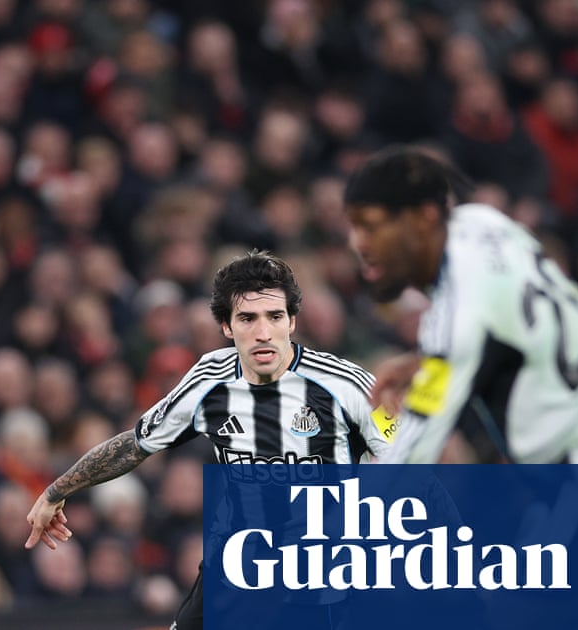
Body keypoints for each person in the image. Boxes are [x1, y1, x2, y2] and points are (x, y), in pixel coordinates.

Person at [25, 251, 394, 630]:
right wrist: (56, 491)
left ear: (292, 321)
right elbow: (135, 444)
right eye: (248, 318)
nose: (263, 332)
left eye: (275, 316)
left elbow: (411, 460)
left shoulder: (348, 385)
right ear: (226, 327)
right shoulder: (209, 380)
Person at [344, 145, 578, 463]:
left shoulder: (460, 317)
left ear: (425, 218)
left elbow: (410, 456)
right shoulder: (482, 221)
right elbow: (504, 331)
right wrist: (423, 364)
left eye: (372, 227)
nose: (358, 244)